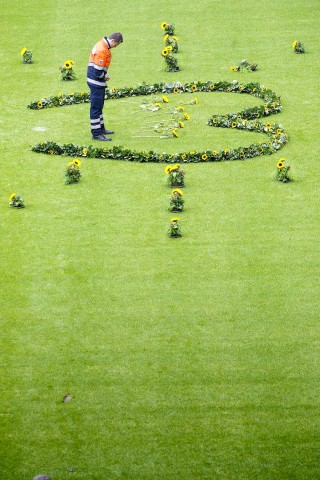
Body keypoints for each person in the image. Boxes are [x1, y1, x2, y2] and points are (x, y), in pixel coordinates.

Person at [87, 32, 123, 141]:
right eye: (116, 44)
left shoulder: (102, 45)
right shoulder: (102, 50)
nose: (115, 47)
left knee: (99, 106)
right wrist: (104, 76)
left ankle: (101, 129)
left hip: (96, 82)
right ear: (112, 41)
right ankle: (96, 133)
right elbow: (98, 71)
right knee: (96, 108)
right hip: (96, 82)